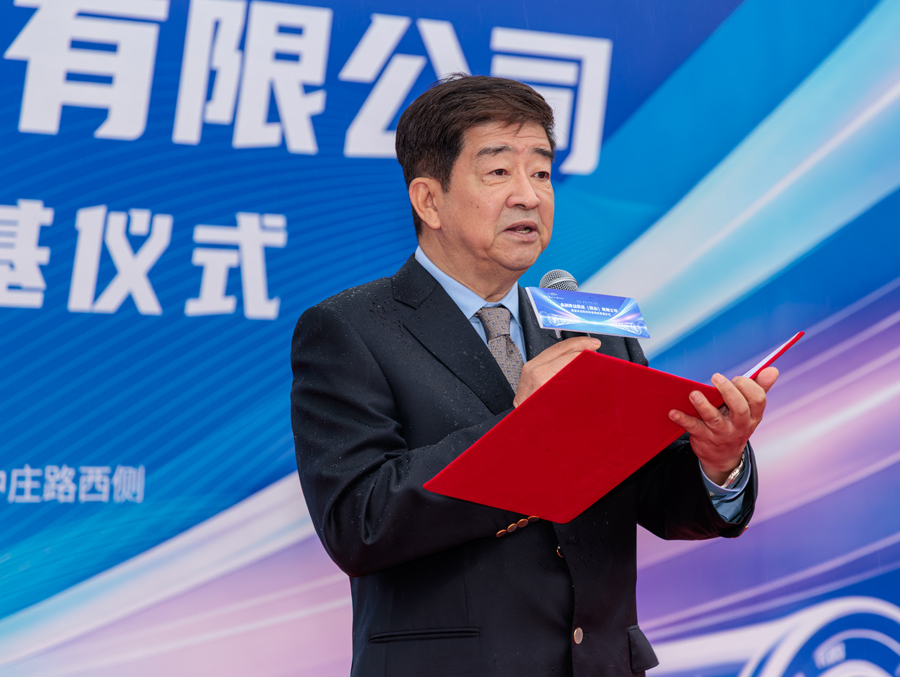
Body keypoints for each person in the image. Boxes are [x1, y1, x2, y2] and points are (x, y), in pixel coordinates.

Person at [291, 74, 777, 677]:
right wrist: (520, 430)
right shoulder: (351, 327)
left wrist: (717, 463)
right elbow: (358, 524)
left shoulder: (590, 328)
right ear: (429, 200)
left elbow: (654, 499)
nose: (529, 196)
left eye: (542, 173)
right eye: (499, 172)